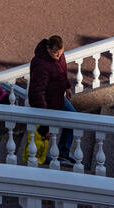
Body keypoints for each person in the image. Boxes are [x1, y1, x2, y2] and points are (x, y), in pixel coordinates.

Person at [27, 35, 75, 163]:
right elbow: (37, 93)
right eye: (55, 53)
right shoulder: (40, 64)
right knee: (44, 134)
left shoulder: (59, 55)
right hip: (47, 103)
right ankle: (39, 158)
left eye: (61, 53)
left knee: (73, 118)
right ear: (47, 48)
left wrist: (67, 87)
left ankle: (63, 152)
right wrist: (45, 123)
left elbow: (62, 71)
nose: (59, 56)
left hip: (58, 97)